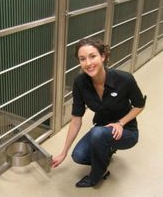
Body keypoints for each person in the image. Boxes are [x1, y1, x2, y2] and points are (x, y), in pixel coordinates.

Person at [52, 37, 146, 187]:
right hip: (102, 128)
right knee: (78, 156)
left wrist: (120, 123)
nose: (88, 63)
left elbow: (139, 105)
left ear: (103, 56)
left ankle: (95, 176)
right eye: (82, 59)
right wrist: (63, 152)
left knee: (98, 134)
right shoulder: (80, 82)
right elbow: (76, 120)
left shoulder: (124, 79)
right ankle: (107, 149)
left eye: (92, 56)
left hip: (126, 130)